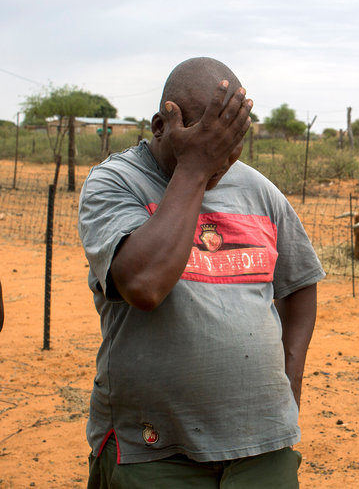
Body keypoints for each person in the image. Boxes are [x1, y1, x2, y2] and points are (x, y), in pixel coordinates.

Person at [78, 57, 325, 488]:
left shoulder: (259, 191)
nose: (221, 155)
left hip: (261, 449)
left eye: (232, 138)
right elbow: (144, 285)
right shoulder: (117, 182)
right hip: (153, 450)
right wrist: (195, 167)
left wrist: (290, 379)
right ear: (160, 126)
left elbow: (299, 285)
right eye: (206, 135)